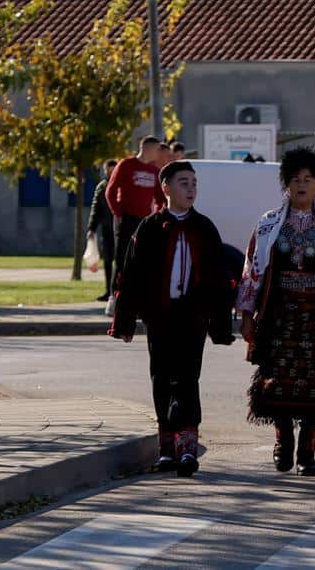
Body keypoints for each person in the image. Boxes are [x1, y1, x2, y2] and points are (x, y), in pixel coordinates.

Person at [110, 159, 235, 477]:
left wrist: (220, 324)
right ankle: (166, 446)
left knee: (188, 377)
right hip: (160, 316)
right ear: (165, 188)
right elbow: (132, 275)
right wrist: (124, 321)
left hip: (193, 316)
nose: (191, 188)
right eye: (184, 182)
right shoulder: (150, 227)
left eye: (194, 183)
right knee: (162, 377)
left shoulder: (204, 227)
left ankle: (188, 446)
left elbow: (219, 278)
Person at [237, 147, 315, 477]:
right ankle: (283, 442)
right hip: (280, 312)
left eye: (309, 179)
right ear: (286, 184)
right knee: (277, 383)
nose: (302, 185)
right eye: (295, 179)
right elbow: (252, 271)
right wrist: (246, 314)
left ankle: (308, 451)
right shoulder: (269, 224)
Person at [105, 136, 164, 300]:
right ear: (146, 148)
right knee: (123, 259)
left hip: (144, 221)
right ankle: (115, 297)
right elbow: (110, 190)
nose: (158, 153)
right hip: (126, 219)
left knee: (142, 260)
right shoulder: (126, 165)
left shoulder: (154, 171)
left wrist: (157, 216)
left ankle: (137, 298)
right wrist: (117, 213)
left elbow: (161, 198)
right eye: (156, 149)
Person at [87, 159, 119, 301]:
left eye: (114, 169)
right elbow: (96, 208)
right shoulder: (102, 187)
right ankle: (109, 291)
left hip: (121, 229)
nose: (111, 173)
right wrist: (91, 228)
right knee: (107, 260)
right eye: (109, 170)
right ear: (105, 171)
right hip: (107, 229)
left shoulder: (122, 185)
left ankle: (117, 291)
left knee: (120, 261)